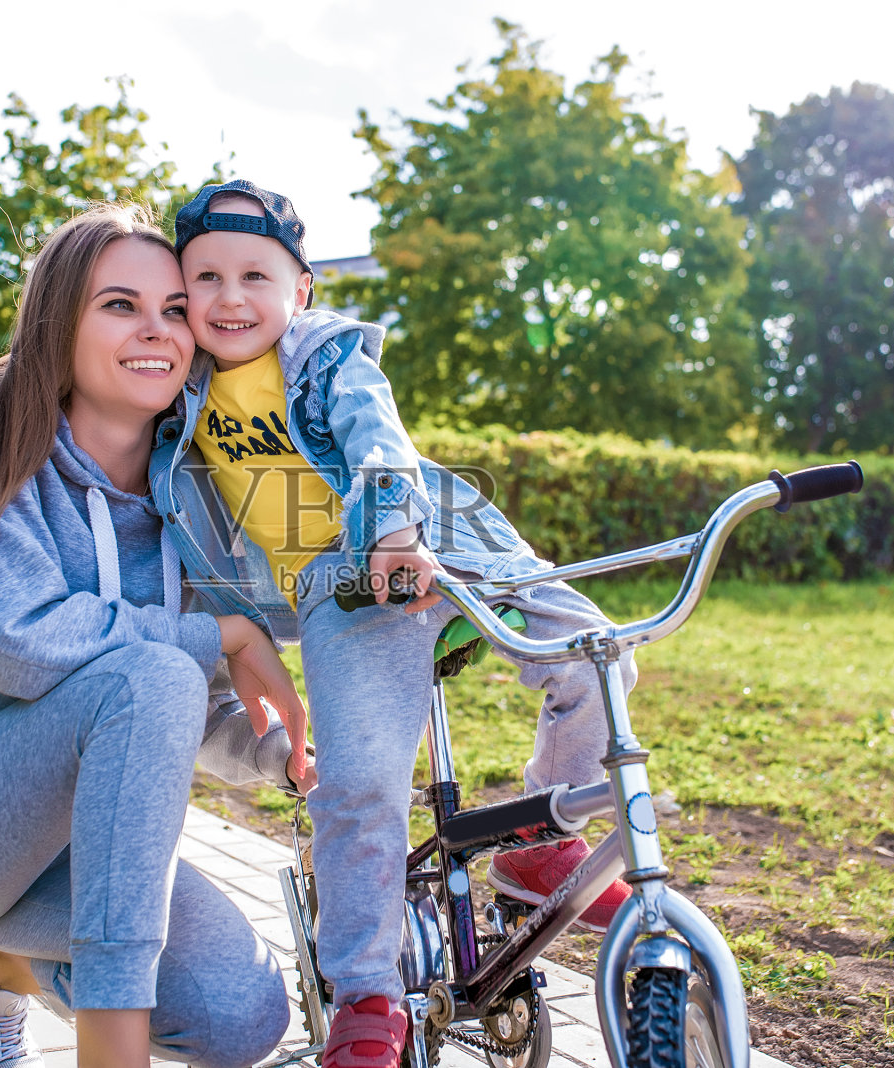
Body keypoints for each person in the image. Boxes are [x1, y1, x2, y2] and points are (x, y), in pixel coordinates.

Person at [150, 180, 638, 1067]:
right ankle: (368, 994)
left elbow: (378, 441)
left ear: (301, 290)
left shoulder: (326, 355)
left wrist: (394, 530)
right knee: (360, 782)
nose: (230, 298)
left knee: (595, 656)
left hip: (439, 534)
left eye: (256, 276)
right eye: (206, 278)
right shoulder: (177, 394)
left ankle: (540, 846)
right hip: (341, 587)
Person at [0, 204, 310, 1068]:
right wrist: (222, 633)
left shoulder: (193, 496)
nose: (156, 330)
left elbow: (187, 707)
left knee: (238, 1012)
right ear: (57, 322)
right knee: (154, 671)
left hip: (72, 852)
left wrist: (283, 756)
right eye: (120, 305)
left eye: (175, 310)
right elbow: (14, 636)